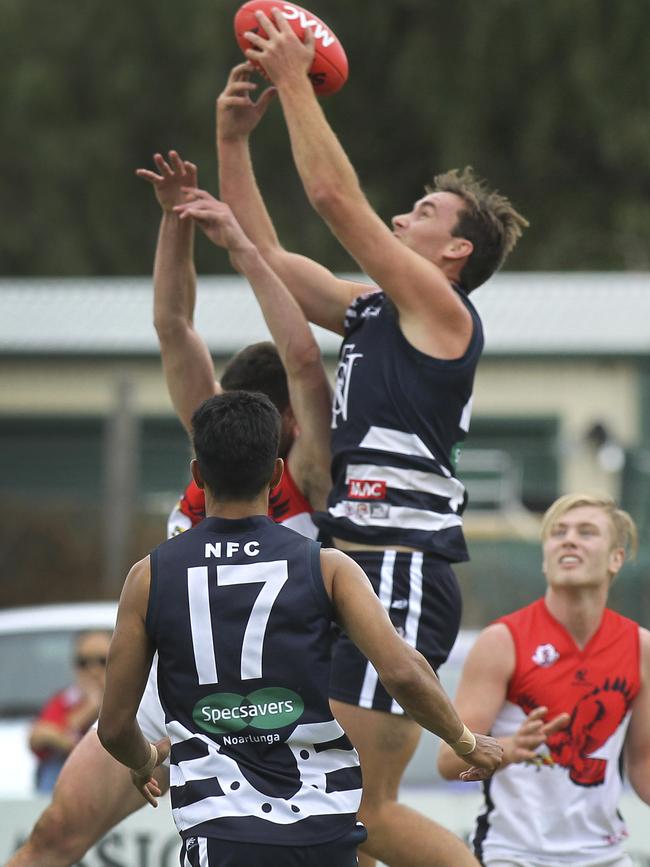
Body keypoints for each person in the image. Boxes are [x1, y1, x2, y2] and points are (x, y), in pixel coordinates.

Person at [210, 16, 529, 865]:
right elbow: (267, 254)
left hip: (399, 562)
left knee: (364, 810)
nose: (399, 213)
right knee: (328, 807)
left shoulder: (444, 313)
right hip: (356, 563)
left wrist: (292, 79)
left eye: (423, 211)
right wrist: (233, 139)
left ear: (455, 251)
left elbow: (332, 199)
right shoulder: (372, 309)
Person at [5, 152, 333, 867]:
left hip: (279, 708)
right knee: (57, 833)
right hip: (172, 695)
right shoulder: (213, 448)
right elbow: (174, 324)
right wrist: (173, 221)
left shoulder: (307, 472)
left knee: (346, 848)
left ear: (287, 425)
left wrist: (241, 244)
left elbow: (305, 362)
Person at [97, 390, 502, 867]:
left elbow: (114, 727)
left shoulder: (149, 577)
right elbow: (405, 673)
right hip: (323, 832)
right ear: (275, 474)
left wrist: (145, 761)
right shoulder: (327, 566)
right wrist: (465, 741)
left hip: (221, 833)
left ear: (197, 474)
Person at [437, 493, 650, 867]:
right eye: (558, 532)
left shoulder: (640, 647)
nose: (568, 539)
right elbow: (448, 762)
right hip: (513, 855)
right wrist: (506, 748)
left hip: (605, 855)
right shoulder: (502, 641)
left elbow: (643, 766)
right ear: (545, 556)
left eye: (587, 532)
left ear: (616, 557)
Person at [28, 630, 112, 793]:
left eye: (102, 661)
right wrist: (89, 709)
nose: (93, 670)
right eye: (83, 662)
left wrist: (60, 737)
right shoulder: (65, 700)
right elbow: (37, 738)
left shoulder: (131, 699)